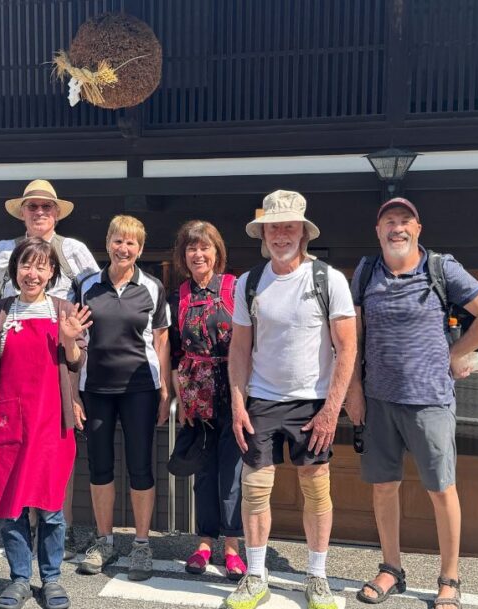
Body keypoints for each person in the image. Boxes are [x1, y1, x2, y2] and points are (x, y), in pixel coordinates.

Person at [348, 197, 478, 608]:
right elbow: (353, 337)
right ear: (378, 230)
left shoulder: (440, 268)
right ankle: (391, 569)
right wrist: (353, 391)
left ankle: (450, 579)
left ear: (418, 229)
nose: (397, 228)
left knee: (441, 489)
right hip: (378, 399)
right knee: (383, 488)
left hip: (430, 402)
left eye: (405, 221)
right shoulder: (366, 271)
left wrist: (456, 354)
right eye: (389, 221)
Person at [224, 191, 357, 609]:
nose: (281, 235)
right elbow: (240, 350)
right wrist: (237, 403)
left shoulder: (327, 278)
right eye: (274, 227)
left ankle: (317, 577)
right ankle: (256, 575)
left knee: (317, 491)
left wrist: (332, 410)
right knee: (255, 490)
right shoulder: (249, 282)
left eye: (289, 227)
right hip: (261, 399)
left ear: (304, 232)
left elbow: (347, 348)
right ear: (263, 234)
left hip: (313, 402)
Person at [0, 178, 99, 558]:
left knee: (54, 463)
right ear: (22, 213)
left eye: (47, 207)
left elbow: (94, 303)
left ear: (57, 213)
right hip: (15, 363)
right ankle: (21, 549)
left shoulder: (73, 250)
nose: (40, 213)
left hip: (63, 360)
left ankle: (63, 534)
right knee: (15, 472)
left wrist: (73, 391)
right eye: (33, 207)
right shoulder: (3, 251)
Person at [0, 237, 92, 609]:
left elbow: (76, 361)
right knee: (12, 505)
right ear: (15, 270)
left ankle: (51, 579)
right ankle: (20, 578)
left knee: (51, 507)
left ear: (52, 272)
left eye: (41, 266)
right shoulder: (0, 311)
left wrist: (70, 342)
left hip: (51, 421)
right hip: (8, 421)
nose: (32, 273)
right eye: (26, 265)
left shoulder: (63, 309)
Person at [74, 215, 171, 582]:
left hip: (140, 389)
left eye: (131, 243)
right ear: (108, 242)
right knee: (99, 466)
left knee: (141, 466)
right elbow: (72, 336)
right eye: (118, 241)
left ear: (140, 249)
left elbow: (161, 339)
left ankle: (142, 545)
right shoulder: (87, 286)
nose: (124, 248)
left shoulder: (152, 287)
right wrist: (73, 393)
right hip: (95, 387)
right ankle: (105, 541)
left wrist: (164, 389)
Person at [167, 220, 246, 580]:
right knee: (204, 470)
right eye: (191, 248)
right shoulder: (180, 294)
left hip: (233, 389)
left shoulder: (234, 287)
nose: (198, 254)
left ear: (217, 252)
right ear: (184, 255)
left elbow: (249, 343)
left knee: (232, 471)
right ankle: (204, 543)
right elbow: (174, 352)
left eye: (205, 248)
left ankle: (232, 546)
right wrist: (181, 400)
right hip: (196, 393)